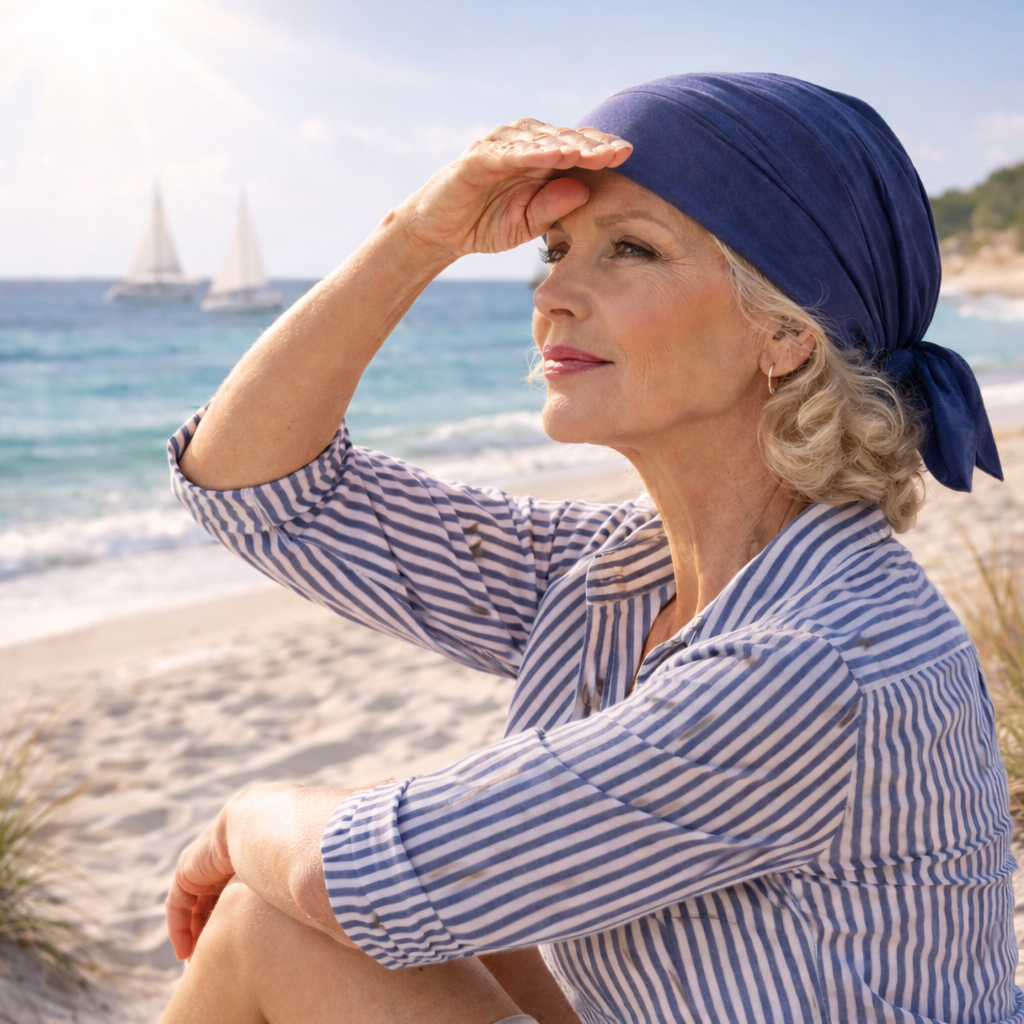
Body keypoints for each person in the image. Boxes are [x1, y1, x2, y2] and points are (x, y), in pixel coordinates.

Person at [159, 74, 1020, 1024]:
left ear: (782, 333)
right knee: (348, 893)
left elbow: (354, 878)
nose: (554, 295)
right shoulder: (618, 575)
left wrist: (243, 819)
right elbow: (256, 489)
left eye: (631, 251)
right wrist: (420, 236)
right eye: (557, 248)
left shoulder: (814, 661)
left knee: (268, 923)